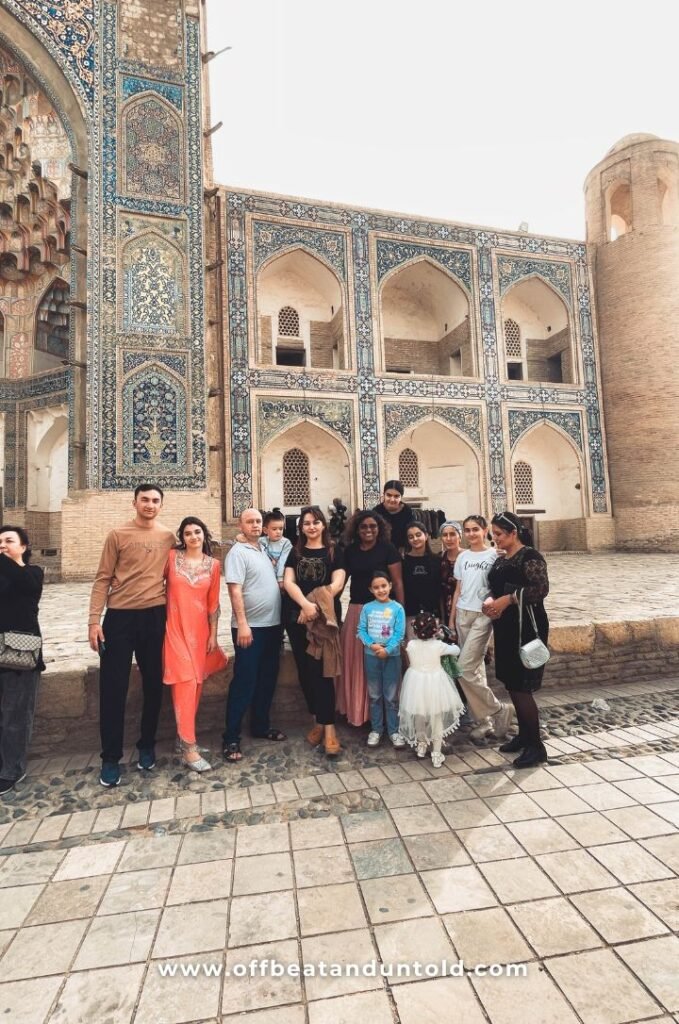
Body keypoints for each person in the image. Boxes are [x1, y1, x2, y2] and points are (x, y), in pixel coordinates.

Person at [88, 485, 175, 788]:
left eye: (155, 501)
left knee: (153, 684)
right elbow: (102, 579)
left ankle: (147, 744)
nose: (150, 505)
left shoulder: (168, 538)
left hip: (154, 618)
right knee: (113, 688)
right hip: (120, 618)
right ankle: (111, 758)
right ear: (134, 502)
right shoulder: (118, 535)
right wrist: (93, 621)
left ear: (161, 505)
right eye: (145, 500)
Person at [484, 511, 550, 768]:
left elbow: (541, 589)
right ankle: (523, 737)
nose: (496, 539)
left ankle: (536, 746)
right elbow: (496, 588)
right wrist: (491, 603)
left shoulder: (530, 556)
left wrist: (508, 599)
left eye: (499, 534)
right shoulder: (502, 560)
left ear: (514, 533)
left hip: (526, 627)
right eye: (494, 535)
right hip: (506, 626)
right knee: (512, 683)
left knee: (522, 687)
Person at [163, 517, 227, 772]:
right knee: (186, 683)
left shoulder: (213, 566)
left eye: (197, 532)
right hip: (175, 630)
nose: (193, 537)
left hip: (200, 633)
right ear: (182, 537)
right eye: (188, 533)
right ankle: (190, 748)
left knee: (196, 685)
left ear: (204, 535)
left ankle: (182, 738)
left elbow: (213, 604)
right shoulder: (170, 559)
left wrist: (213, 635)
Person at [223, 509, 286, 763]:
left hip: (272, 627)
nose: (255, 525)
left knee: (267, 680)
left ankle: (260, 726)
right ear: (241, 524)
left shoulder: (263, 549)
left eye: (258, 521)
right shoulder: (238, 552)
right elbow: (234, 590)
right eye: (250, 521)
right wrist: (242, 623)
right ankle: (231, 737)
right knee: (244, 682)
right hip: (250, 628)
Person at [283, 506, 346, 757]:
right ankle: (318, 722)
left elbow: (338, 583)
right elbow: (288, 582)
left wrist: (316, 607)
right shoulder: (295, 552)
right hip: (299, 617)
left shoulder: (334, 551)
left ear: (323, 525)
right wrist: (305, 605)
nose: (311, 527)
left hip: (324, 620)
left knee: (323, 672)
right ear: (301, 527)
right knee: (306, 671)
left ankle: (329, 729)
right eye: (306, 523)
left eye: (316, 522)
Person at [451, 515, 514, 742]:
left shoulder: (495, 555)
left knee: (464, 669)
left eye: (475, 529)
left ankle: (498, 709)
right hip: (462, 614)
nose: (471, 534)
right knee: (475, 669)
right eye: (467, 530)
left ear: (484, 530)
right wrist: (451, 620)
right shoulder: (462, 557)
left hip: (483, 615)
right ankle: (485, 722)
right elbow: (458, 589)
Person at [338, 510, 403, 728]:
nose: (368, 530)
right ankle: (360, 713)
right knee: (358, 662)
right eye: (364, 526)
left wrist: (399, 612)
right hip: (358, 610)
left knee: (381, 660)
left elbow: (398, 582)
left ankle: (388, 717)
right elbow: (341, 581)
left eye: (373, 526)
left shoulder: (388, 550)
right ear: (357, 529)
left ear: (380, 528)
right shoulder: (350, 551)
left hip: (384, 613)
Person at [0, 526, 44, 796]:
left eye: (8, 541)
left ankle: (12, 769)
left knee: (15, 716)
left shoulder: (32, 573)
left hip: (20, 651)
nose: (2, 545)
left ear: (24, 546)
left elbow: (24, 585)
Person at [398, 611, 463, 768]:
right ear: (435, 630)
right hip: (436, 684)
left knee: (420, 715)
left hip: (415, 684)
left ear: (414, 631)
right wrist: (445, 640)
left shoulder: (411, 645)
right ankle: (436, 753)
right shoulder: (439, 646)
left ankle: (421, 745)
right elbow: (456, 651)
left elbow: (410, 651)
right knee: (437, 718)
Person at [357, 570, 406, 748]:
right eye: (376, 587)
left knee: (392, 696)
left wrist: (388, 649)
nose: (381, 590)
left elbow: (400, 633)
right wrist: (373, 646)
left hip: (392, 657)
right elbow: (361, 630)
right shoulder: (367, 608)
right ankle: (377, 729)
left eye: (384, 586)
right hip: (372, 657)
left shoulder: (397, 608)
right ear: (371, 589)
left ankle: (394, 730)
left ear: (390, 586)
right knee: (375, 695)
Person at [402, 521, 440, 639]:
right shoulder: (403, 561)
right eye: (411, 537)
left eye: (418, 535)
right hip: (410, 614)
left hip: (433, 614)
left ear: (426, 535)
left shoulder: (436, 560)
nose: (415, 539)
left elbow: (440, 590)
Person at [372, 480, 414, 552]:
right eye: (389, 495)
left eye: (396, 496)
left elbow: (411, 532)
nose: (392, 499)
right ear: (384, 495)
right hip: (380, 551)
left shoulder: (407, 511)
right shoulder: (376, 511)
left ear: (401, 497)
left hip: (402, 552)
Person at [259, 509, 292, 589]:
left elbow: (283, 561)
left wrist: (280, 579)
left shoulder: (286, 543)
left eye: (281, 529)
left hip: (282, 578)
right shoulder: (262, 541)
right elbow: (249, 542)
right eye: (274, 529)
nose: (278, 532)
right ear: (265, 530)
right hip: (266, 577)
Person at [439, 520, 463, 623]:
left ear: (460, 537)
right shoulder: (439, 559)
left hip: (465, 607)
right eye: (445, 535)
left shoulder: (468, 557)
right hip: (445, 607)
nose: (448, 539)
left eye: (452, 534)